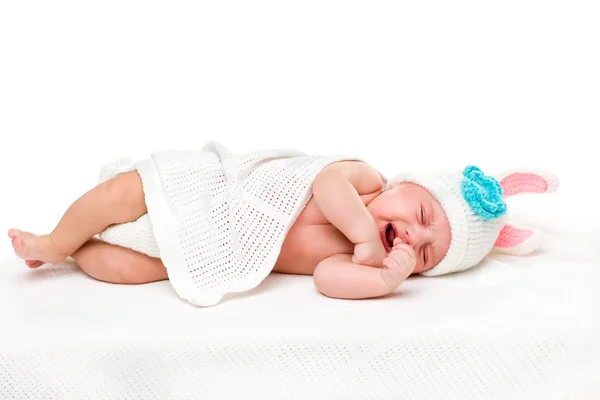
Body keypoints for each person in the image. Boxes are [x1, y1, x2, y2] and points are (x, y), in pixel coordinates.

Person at [7, 141, 559, 306]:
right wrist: (368, 235)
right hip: (212, 189)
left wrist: (381, 277)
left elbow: (326, 280)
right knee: (122, 194)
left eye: (427, 253)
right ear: (403, 186)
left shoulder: (359, 261)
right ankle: (57, 234)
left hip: (221, 245)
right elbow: (323, 184)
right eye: (421, 217)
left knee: (139, 269)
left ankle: (72, 254)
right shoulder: (364, 179)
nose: (414, 237)